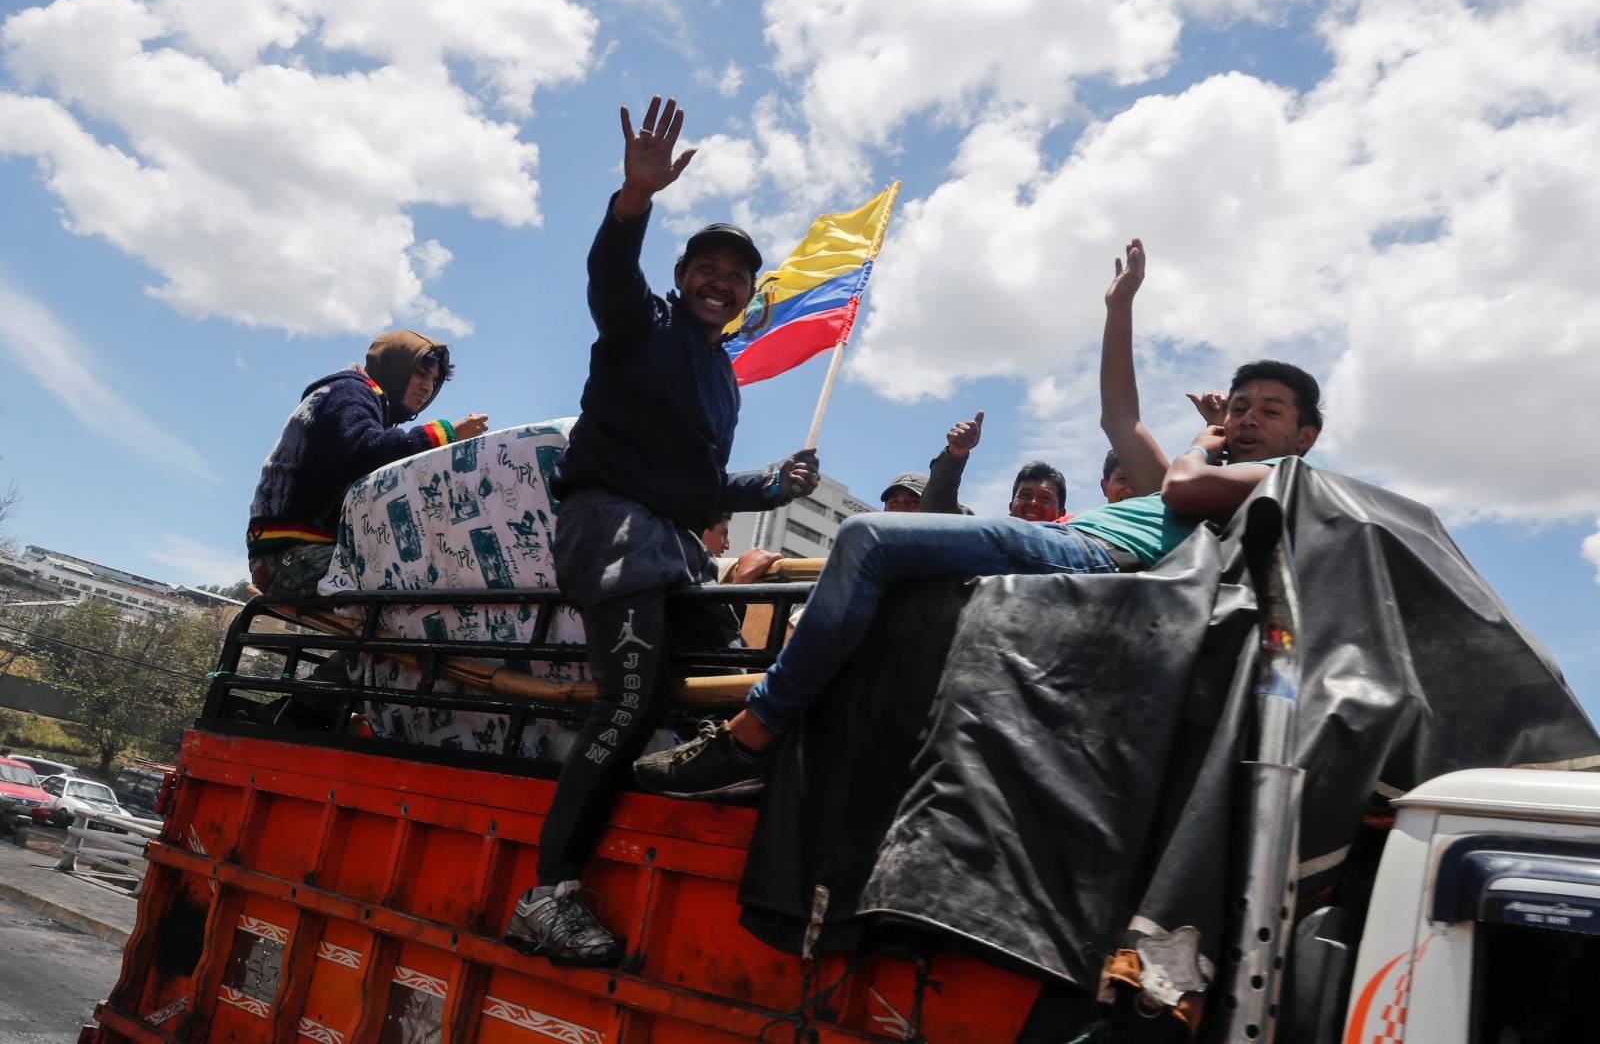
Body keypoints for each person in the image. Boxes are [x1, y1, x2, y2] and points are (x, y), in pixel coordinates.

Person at [633, 237, 1323, 799]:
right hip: (1063, 546)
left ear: (1304, 436)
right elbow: (1120, 416)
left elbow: (1181, 486)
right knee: (882, 570)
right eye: (1240, 407)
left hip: (1094, 559)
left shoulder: (1285, 480)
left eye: (1269, 411)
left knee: (869, 535)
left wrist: (1206, 441)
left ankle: (756, 731)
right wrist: (1120, 308)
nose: (1245, 420)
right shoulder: (1191, 475)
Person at [502, 95, 820, 966]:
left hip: (675, 549)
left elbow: (700, 487)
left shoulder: (725, 379)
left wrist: (773, 482)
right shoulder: (641, 325)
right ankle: (547, 892)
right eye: (707, 268)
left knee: (731, 676)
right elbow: (609, 272)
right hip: (611, 534)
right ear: (683, 276)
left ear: (748, 293)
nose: (721, 281)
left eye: (737, 275)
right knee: (629, 699)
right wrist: (633, 199)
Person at [246, 331, 488, 598]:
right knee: (421, 584)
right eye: (420, 373)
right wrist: (444, 433)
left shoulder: (369, 404)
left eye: (434, 381)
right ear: (395, 367)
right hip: (290, 554)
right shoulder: (349, 392)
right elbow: (367, 451)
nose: (427, 387)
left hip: (308, 552)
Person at [921, 411, 1066, 520]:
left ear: (1060, 513)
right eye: (1025, 495)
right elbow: (936, 509)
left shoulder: (1076, 554)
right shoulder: (986, 543)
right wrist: (956, 454)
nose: (1033, 503)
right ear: (1011, 506)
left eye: (1045, 499)